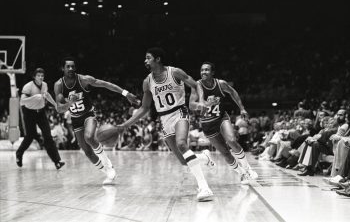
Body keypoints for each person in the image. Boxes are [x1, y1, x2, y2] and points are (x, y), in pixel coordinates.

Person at [115, 47, 214, 201]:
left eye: (148, 58)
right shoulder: (147, 82)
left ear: (158, 59)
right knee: (183, 160)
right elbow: (144, 108)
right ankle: (204, 157)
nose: (145, 61)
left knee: (182, 144)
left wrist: (200, 101)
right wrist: (125, 125)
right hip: (163, 118)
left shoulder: (175, 72)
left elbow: (196, 85)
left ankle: (204, 188)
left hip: (179, 111)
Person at [54, 56, 139, 184]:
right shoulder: (59, 85)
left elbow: (106, 84)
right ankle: (107, 172)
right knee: (87, 151)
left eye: (73, 66)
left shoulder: (83, 80)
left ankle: (109, 166)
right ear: (63, 68)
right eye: (68, 66)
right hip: (76, 119)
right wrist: (69, 103)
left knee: (89, 137)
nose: (71, 68)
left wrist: (126, 94)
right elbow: (59, 109)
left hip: (88, 115)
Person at [189, 62, 258, 183]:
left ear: (213, 72)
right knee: (225, 153)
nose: (203, 72)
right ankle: (242, 173)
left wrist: (241, 108)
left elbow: (233, 92)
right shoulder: (196, 86)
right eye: (202, 70)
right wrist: (205, 104)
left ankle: (248, 169)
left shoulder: (221, 84)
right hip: (207, 123)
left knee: (231, 140)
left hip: (221, 118)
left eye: (206, 70)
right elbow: (191, 105)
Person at [16, 68, 65, 169]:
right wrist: (35, 97)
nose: (41, 77)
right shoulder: (28, 87)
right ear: (34, 76)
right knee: (30, 136)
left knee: (48, 136)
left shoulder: (45, 85)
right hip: (29, 113)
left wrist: (56, 105)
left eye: (42, 76)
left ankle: (57, 162)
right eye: (39, 76)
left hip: (41, 112)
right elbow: (22, 102)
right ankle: (19, 154)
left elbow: (47, 96)